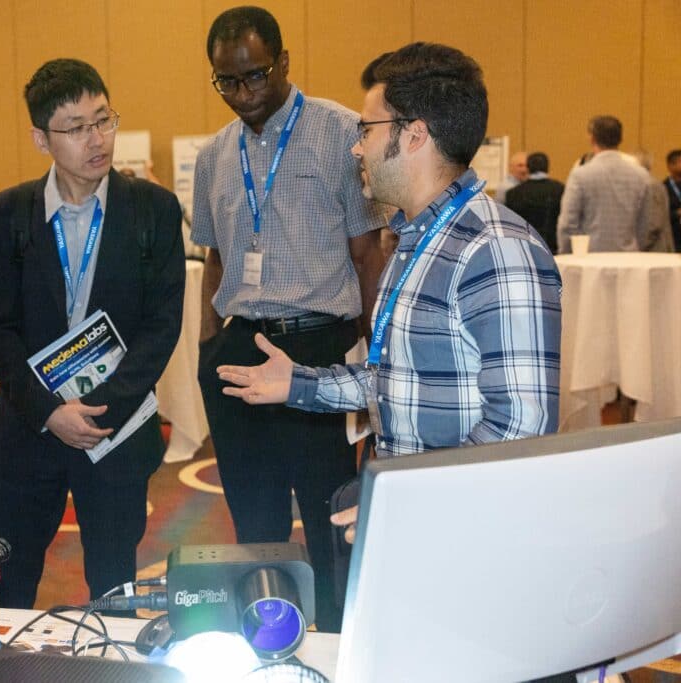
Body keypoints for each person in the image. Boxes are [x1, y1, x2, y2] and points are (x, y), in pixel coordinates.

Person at [217, 41, 561, 546]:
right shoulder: (416, 240)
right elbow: (395, 379)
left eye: (367, 130)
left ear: (414, 135)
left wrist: (412, 508)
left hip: (466, 538)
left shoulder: (497, 251)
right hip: (419, 522)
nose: (357, 147)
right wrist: (299, 384)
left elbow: (520, 431)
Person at [191, 5, 386, 633]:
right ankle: (266, 635)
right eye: (227, 81)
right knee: (254, 522)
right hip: (238, 348)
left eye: (254, 75)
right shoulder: (214, 154)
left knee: (331, 517)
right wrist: (206, 350)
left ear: (284, 63)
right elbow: (216, 262)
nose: (243, 93)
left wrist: (366, 354)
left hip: (318, 352)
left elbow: (367, 255)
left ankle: (333, 643)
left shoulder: (338, 133)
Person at [0, 58, 184, 609]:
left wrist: (99, 411)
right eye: (76, 128)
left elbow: (162, 326)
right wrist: (51, 411)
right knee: (9, 586)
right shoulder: (9, 213)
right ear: (41, 139)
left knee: (114, 589)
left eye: (104, 120)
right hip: (30, 431)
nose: (97, 140)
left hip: (113, 435)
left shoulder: (154, 210)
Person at [556, 116, 652, 254]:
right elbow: (645, 224)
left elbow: (567, 223)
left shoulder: (580, 174)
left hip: (589, 258)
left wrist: (567, 254)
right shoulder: (641, 175)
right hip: (628, 258)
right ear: (620, 139)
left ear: (592, 138)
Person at [504, 152, 564, 252]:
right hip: (552, 247)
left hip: (524, 248)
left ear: (528, 168)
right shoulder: (560, 189)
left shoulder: (513, 194)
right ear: (547, 167)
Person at [665, 149, 681, 252]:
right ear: (670, 165)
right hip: (674, 238)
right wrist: (677, 213)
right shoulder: (663, 187)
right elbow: (661, 215)